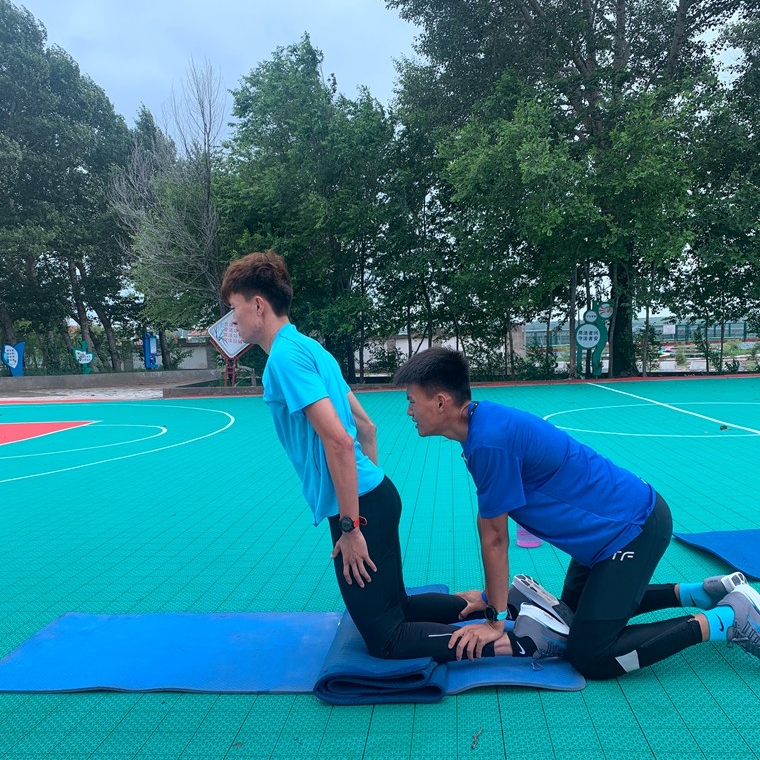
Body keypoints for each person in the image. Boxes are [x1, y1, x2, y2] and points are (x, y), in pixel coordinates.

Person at [221, 250, 530, 663]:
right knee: (397, 607)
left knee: (388, 639)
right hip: (375, 496)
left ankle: (509, 644)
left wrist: (352, 526)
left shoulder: (283, 359)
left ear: (258, 304)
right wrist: (370, 496)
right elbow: (366, 426)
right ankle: (488, 604)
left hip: (360, 508)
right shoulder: (310, 349)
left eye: (234, 307)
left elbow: (339, 440)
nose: (232, 319)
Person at [393, 345, 760, 677]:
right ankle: (700, 592)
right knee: (570, 615)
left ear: (440, 402)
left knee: (592, 655)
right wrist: (490, 597)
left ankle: (728, 618)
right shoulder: (484, 427)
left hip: (632, 529)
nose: (409, 411)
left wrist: (494, 619)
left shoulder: (489, 440)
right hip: (604, 537)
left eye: (411, 401)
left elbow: (495, 538)